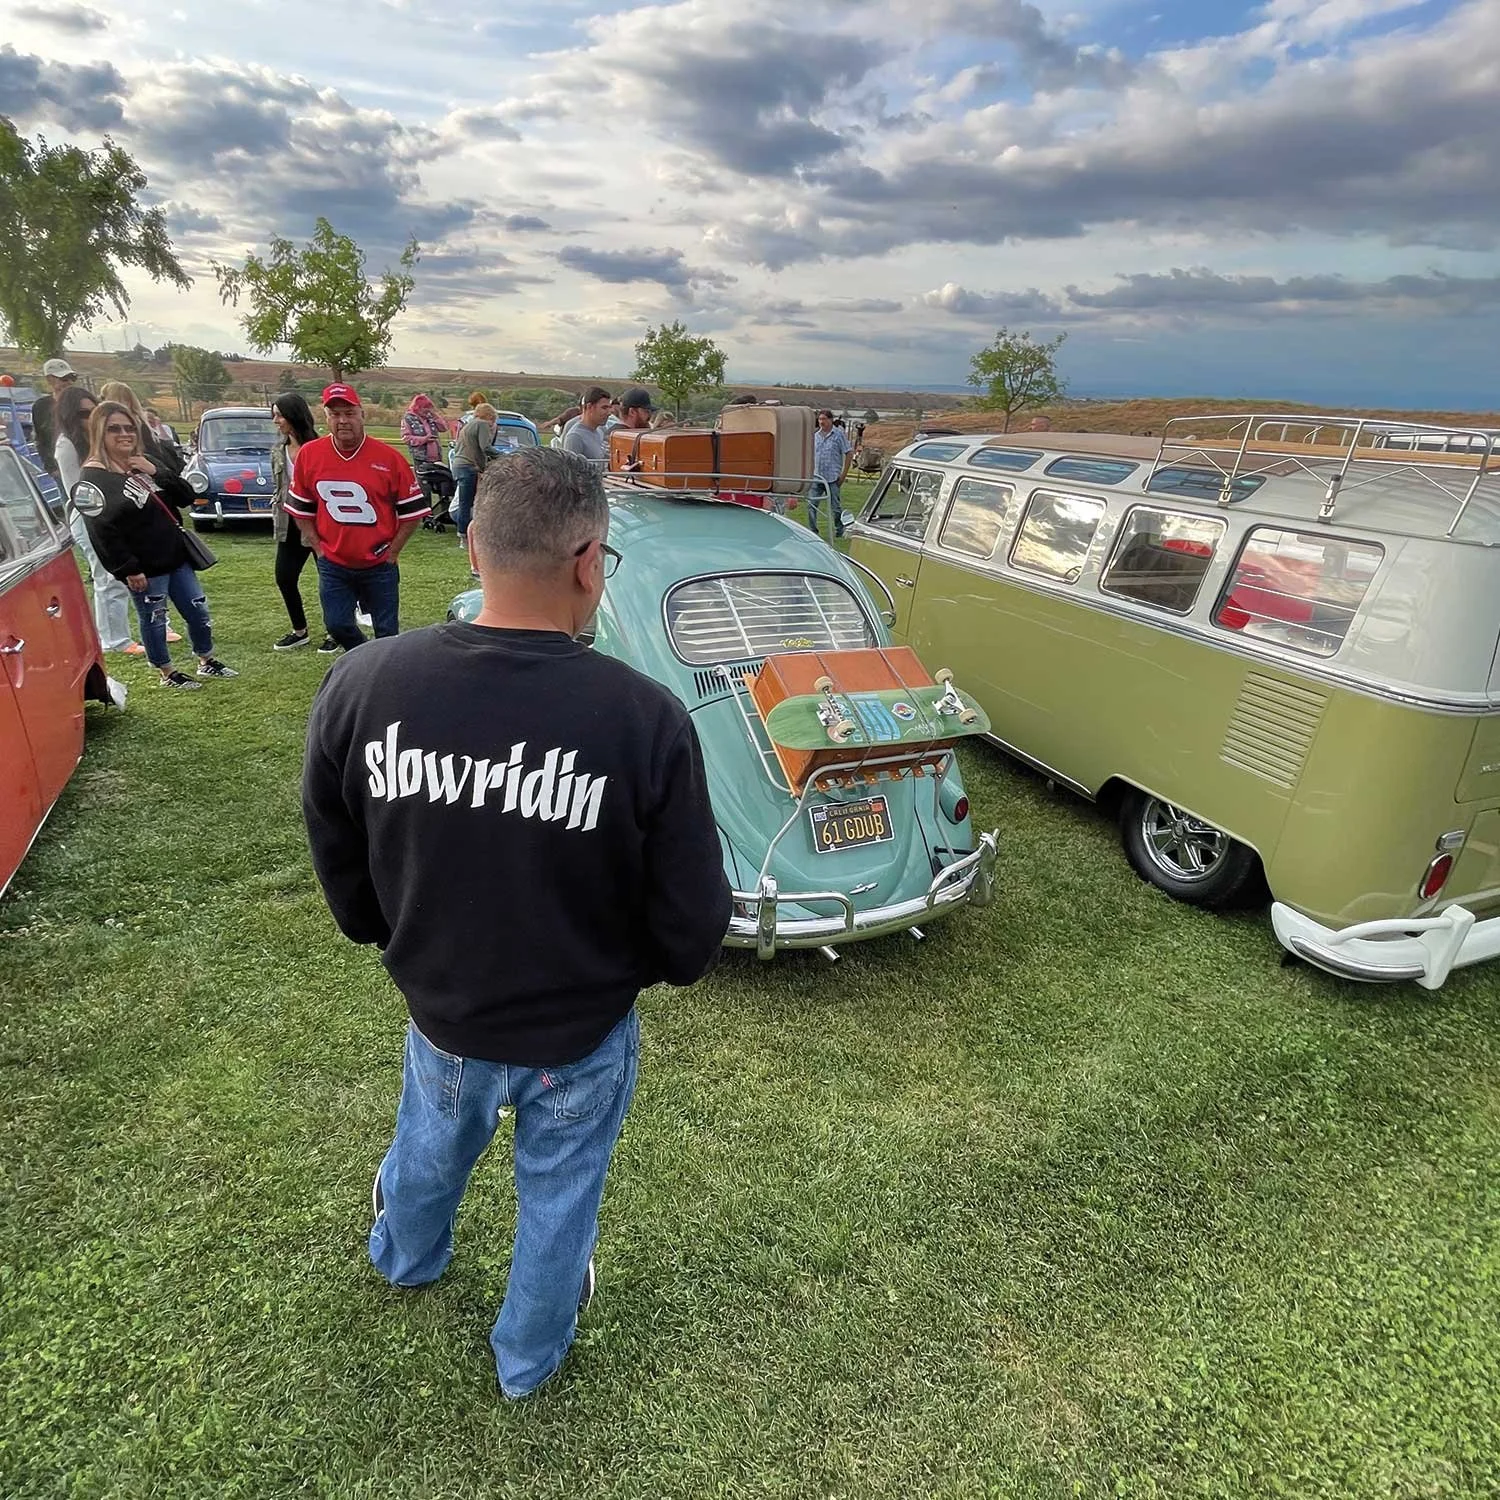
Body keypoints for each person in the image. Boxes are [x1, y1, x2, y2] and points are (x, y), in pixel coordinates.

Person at [301, 446, 731, 1399]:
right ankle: (526, 1360)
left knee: (430, 1139)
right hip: (579, 1031)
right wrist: (652, 965)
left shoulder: (367, 683)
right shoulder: (643, 719)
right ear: (588, 563)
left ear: (471, 549)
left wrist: (380, 929)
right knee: (559, 1196)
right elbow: (694, 915)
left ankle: (407, 1256)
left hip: (441, 1008)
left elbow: (335, 837)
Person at [73, 401, 238, 689]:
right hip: (145, 568)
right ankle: (167, 671)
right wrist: (128, 568)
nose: (124, 434)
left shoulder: (144, 462)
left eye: (129, 428)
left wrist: (154, 471)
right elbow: (102, 531)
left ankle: (206, 659)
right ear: (99, 432)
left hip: (176, 556)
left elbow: (186, 495)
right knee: (154, 619)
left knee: (198, 610)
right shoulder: (93, 478)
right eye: (114, 429)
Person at [284, 383, 430, 652]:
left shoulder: (389, 458)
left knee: (386, 632)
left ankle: (383, 678)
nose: (342, 421)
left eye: (349, 413)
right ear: (325, 418)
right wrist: (317, 546)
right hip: (334, 563)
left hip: (379, 562)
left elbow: (412, 513)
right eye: (335, 414)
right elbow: (300, 508)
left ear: (362, 415)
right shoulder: (310, 454)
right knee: (337, 625)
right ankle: (363, 659)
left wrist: (393, 551)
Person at [54, 385, 141, 656]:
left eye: (93, 411)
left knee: (128, 571)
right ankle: (114, 639)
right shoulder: (66, 445)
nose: (88, 418)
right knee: (107, 575)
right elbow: (77, 492)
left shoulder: (97, 443)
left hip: (112, 513)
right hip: (87, 516)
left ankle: (138, 629)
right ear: (69, 415)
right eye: (82, 413)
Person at [269, 392, 337, 653]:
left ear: (294, 415)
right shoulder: (278, 451)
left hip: (321, 525)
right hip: (289, 524)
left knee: (329, 580)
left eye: (279, 415)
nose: (276, 421)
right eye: (273, 415)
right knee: (284, 578)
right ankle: (300, 631)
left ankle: (335, 630)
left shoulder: (321, 449)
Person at [99, 381, 182, 477]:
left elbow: (152, 455)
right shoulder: (137, 421)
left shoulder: (137, 424)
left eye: (103, 398)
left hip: (146, 473)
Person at [452, 402, 499, 543]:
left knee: (463, 502)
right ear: (489, 416)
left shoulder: (468, 426)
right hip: (469, 467)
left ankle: (462, 534)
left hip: (459, 466)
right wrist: (504, 455)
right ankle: (466, 537)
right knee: (470, 503)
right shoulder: (482, 424)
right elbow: (485, 447)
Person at [809, 408, 852, 540]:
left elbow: (849, 453)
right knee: (811, 505)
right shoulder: (815, 436)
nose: (821, 422)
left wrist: (843, 474)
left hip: (833, 477)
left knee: (836, 507)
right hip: (817, 477)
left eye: (824, 419)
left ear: (830, 420)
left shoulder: (839, 435)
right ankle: (813, 531)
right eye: (819, 419)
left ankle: (839, 529)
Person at [33, 358, 77, 478]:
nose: (69, 382)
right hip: (59, 470)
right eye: (64, 378)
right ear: (49, 379)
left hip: (83, 465)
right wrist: (51, 468)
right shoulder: (40, 406)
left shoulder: (81, 403)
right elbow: (40, 439)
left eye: (72, 378)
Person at [561, 387, 611, 467]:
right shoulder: (575, 437)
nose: (609, 413)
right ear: (589, 407)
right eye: (604, 408)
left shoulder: (600, 431)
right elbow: (571, 473)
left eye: (609, 408)